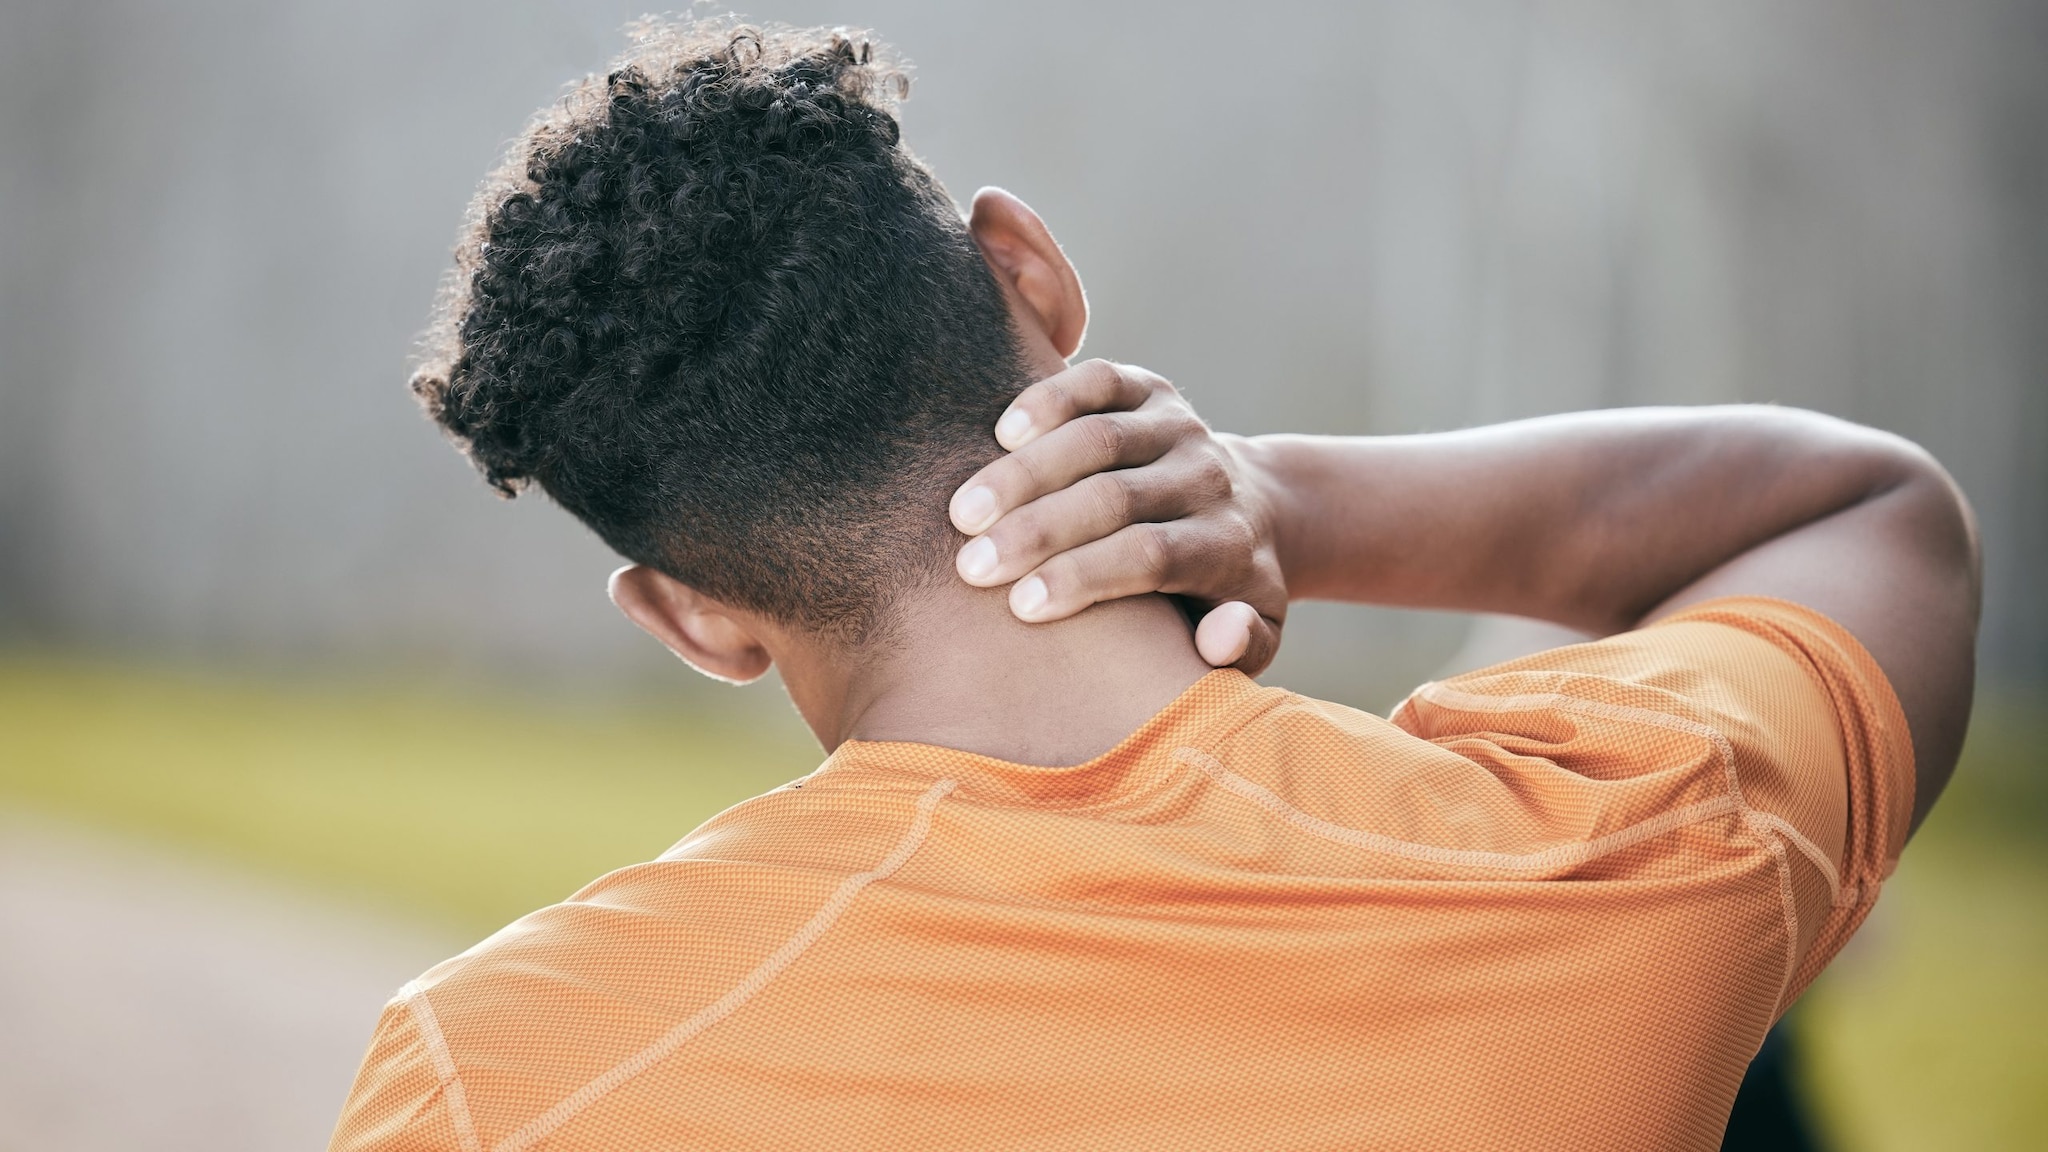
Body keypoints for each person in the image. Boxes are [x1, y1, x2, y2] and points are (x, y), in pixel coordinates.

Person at [330, 19, 1979, 1151]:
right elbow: (1878, 514)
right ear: (1032, 276)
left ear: (694, 616)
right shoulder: (1612, 867)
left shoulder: (495, 1081)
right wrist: (1291, 503)